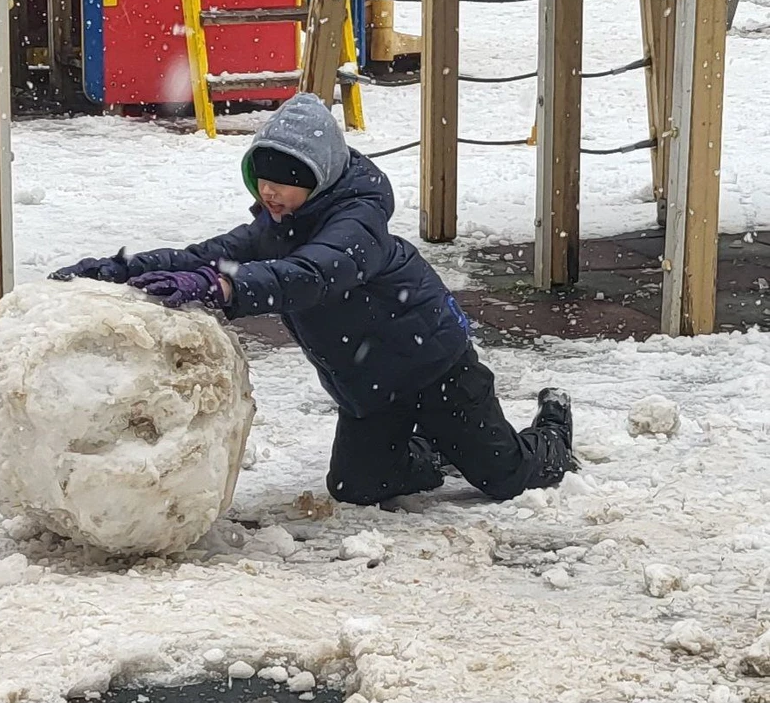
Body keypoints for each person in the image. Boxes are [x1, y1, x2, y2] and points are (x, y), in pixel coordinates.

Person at [50, 93, 577, 507]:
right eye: (264, 180)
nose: (271, 193)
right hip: (370, 388)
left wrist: (227, 289)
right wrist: (122, 269)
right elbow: (207, 255)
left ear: (318, 179)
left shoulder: (357, 225)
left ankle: (553, 427)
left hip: (435, 368)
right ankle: (436, 450)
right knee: (357, 486)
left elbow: (312, 275)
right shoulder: (276, 226)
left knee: (505, 478)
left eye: (287, 183)